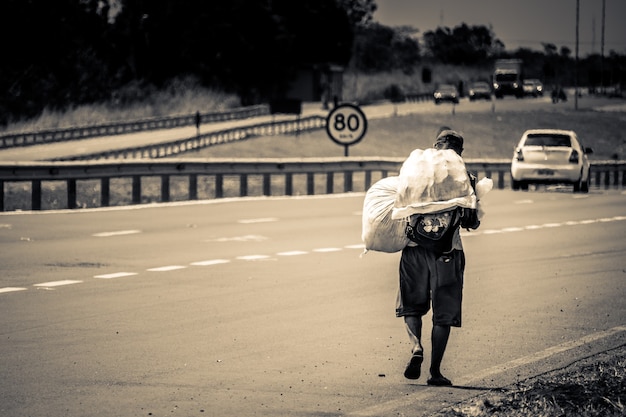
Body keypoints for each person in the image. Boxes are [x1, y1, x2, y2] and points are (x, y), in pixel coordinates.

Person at [396, 128, 480, 386]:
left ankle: (416, 348)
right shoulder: (465, 177)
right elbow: (472, 221)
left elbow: (398, 206)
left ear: (435, 145)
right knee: (443, 314)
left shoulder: (414, 170)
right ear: (459, 152)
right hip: (447, 252)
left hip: (413, 250)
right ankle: (435, 372)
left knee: (412, 306)